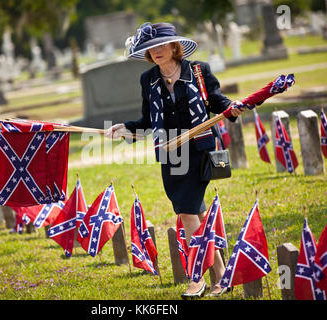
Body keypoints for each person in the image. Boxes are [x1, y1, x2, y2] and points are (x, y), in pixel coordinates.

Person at [105, 22, 245, 299]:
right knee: (197, 215)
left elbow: (217, 101)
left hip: (199, 150)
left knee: (187, 213)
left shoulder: (198, 70)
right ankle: (221, 275)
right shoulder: (148, 79)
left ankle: (197, 279)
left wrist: (232, 108)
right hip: (170, 154)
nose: (155, 51)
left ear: (173, 46)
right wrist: (127, 128)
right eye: (149, 48)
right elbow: (148, 121)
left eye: (160, 45)